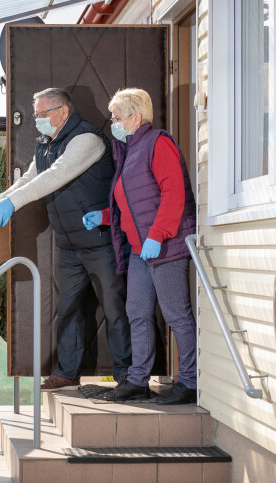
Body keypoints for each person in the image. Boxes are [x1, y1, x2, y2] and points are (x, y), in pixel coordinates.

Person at [0, 88, 132, 391]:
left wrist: (13, 204)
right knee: (68, 310)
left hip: (100, 240)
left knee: (114, 307)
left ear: (63, 112)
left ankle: (126, 374)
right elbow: (29, 179)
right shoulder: (45, 144)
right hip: (69, 244)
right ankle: (67, 372)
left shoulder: (87, 140)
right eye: (36, 113)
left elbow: (55, 176)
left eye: (44, 113)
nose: (38, 119)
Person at [82, 88, 197, 405]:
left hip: (165, 245)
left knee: (176, 315)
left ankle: (189, 381)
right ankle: (137, 379)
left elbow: (173, 193)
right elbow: (134, 204)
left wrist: (157, 235)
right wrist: (105, 216)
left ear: (136, 116)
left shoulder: (157, 143)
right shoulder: (129, 150)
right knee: (137, 313)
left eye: (118, 117)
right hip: (140, 250)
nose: (114, 123)